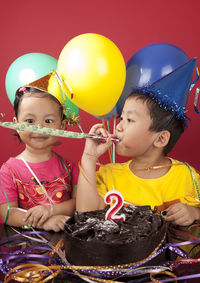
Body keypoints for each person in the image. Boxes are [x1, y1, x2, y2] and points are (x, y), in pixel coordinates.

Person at [76, 61, 200, 227]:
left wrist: (195, 212)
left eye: (129, 120)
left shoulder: (187, 176)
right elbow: (86, 214)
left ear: (161, 139)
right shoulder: (108, 175)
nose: (118, 126)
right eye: (121, 118)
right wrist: (89, 157)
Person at [0, 86, 79, 232]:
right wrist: (43, 223)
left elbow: (78, 204)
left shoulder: (69, 166)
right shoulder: (8, 170)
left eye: (48, 121)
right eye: (30, 120)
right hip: (26, 246)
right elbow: (8, 213)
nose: (39, 127)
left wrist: (50, 210)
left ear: (62, 126)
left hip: (66, 242)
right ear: (16, 124)